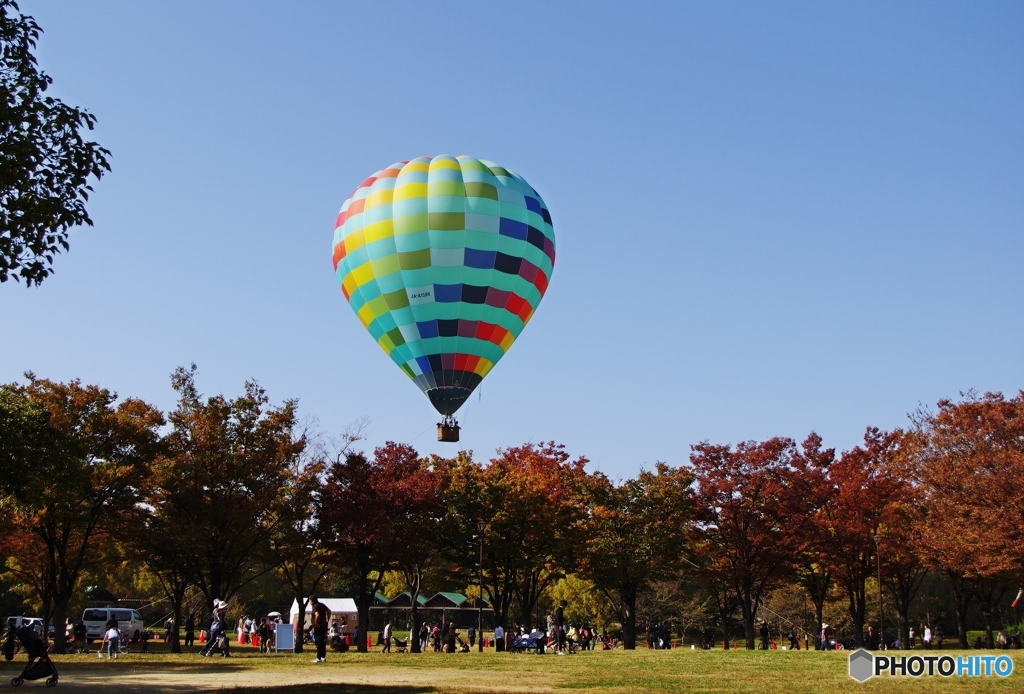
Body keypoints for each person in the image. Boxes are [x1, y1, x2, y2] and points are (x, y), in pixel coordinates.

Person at [309, 596, 331, 663]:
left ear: (312, 601)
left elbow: (317, 615)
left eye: (309, 601)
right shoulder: (322, 605)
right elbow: (329, 611)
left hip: (318, 627)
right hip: (324, 626)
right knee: (323, 642)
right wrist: (327, 620)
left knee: (318, 642)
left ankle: (318, 658)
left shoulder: (315, 606)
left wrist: (316, 623)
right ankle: (323, 657)